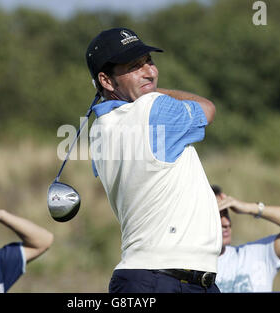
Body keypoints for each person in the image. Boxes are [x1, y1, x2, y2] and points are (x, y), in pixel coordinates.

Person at [85, 27, 222, 293]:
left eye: (149, 61)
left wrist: (144, 88)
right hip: (164, 280)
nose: (149, 71)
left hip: (148, 277)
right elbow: (208, 109)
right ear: (106, 80)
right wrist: (154, 92)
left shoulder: (98, 130)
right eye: (134, 66)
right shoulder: (151, 108)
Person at [211, 184, 280, 292]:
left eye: (226, 214)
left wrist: (250, 208)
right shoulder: (195, 268)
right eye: (216, 216)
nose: (226, 223)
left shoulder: (255, 255)